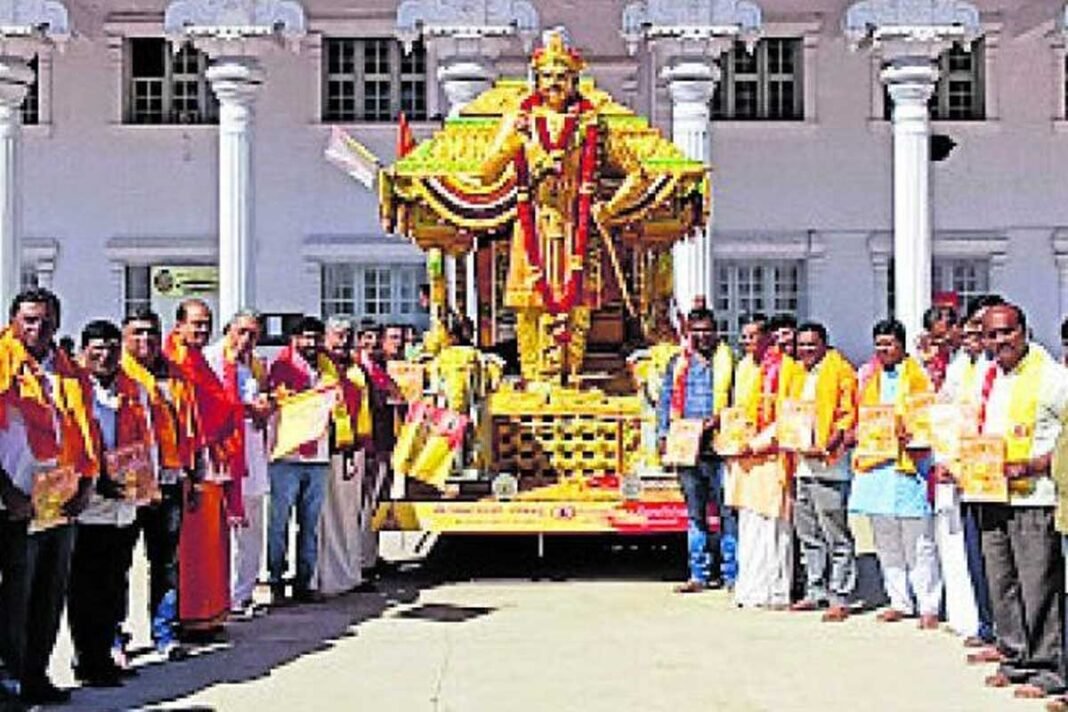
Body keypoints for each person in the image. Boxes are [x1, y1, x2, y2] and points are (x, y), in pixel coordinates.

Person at [0, 288, 97, 705]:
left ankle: (36, 674)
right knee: (12, 599)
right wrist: (6, 492)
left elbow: (87, 430)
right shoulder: (2, 365)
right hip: (13, 503)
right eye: (29, 320)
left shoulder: (69, 371)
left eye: (45, 320)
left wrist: (87, 485)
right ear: (13, 322)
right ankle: (7, 680)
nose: (38, 328)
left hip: (59, 501)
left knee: (49, 594)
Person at [975, 304, 1067, 699]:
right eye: (992, 335)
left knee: (1038, 586)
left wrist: (1034, 465)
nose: (999, 342)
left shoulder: (1052, 378)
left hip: (1035, 499)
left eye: (1006, 333)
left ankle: (1048, 669)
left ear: (1024, 331)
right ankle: (1014, 659)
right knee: (1002, 583)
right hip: (991, 494)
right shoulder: (989, 375)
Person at [68, 320, 151, 687]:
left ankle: (107, 650)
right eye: (97, 348)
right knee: (86, 587)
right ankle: (88, 659)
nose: (105, 355)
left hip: (125, 503)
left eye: (112, 348)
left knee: (115, 583)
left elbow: (148, 439)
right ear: (85, 351)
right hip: (89, 505)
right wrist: (97, 480)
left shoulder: (133, 389)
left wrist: (144, 484)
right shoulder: (73, 388)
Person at [848, 319, 941, 629]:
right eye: (878, 344)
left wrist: (912, 436)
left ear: (901, 346)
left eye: (888, 344)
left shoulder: (919, 377)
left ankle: (928, 604)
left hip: (908, 467)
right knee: (885, 540)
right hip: (877, 468)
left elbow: (929, 415)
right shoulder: (869, 378)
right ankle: (899, 600)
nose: (883, 350)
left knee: (919, 542)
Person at [164, 298, 245, 636]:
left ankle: (210, 613)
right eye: (195, 323)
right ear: (179, 325)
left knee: (213, 544)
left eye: (206, 323)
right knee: (192, 549)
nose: (201, 329)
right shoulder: (175, 362)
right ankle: (190, 617)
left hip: (212, 460)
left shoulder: (197, 359)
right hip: (191, 464)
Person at [122, 307, 198, 660]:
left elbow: (190, 428)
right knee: (117, 564)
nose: (145, 340)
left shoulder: (175, 375)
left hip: (169, 480)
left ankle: (164, 632)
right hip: (127, 484)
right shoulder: (116, 373)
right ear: (124, 336)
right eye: (137, 333)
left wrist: (192, 475)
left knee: (165, 561)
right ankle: (113, 636)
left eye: (151, 333)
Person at [725, 313, 803, 608]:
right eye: (743, 337)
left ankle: (773, 591)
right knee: (749, 524)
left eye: (753, 336)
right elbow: (737, 410)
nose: (747, 342)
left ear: (768, 338)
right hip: (745, 459)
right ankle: (750, 588)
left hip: (772, 457)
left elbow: (787, 416)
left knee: (772, 525)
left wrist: (755, 444)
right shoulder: (743, 367)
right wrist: (733, 441)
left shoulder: (788, 369)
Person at [656, 307, 734, 592]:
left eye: (707, 330)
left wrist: (720, 418)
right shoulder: (678, 363)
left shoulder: (729, 362)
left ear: (716, 331)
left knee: (727, 513)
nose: (702, 336)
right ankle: (698, 574)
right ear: (688, 332)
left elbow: (741, 404)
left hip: (720, 449)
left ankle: (731, 574)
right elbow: (665, 401)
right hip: (687, 449)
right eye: (696, 330)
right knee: (695, 515)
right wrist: (663, 436)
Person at [786, 322, 858, 622]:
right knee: (808, 533)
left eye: (811, 345)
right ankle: (815, 590)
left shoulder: (841, 371)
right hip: (801, 464)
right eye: (801, 345)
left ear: (824, 344)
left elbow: (849, 411)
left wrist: (835, 437)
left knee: (835, 533)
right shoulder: (796, 374)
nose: (805, 350)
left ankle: (840, 594)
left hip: (830, 466)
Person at [204, 309, 273, 620]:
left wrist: (265, 407)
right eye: (241, 331)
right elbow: (209, 404)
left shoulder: (256, 364)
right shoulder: (211, 360)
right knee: (220, 528)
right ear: (228, 330)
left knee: (252, 525)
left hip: (253, 452)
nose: (246, 339)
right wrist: (247, 407)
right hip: (222, 455)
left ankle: (242, 594)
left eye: (253, 334)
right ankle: (218, 596)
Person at [268, 316, 331, 604]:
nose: (311, 343)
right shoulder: (281, 367)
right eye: (305, 338)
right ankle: (276, 581)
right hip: (287, 455)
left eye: (316, 338)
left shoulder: (328, 369)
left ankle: (304, 582)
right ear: (294, 340)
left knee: (310, 524)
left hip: (319, 456)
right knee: (279, 523)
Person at [314, 315, 373, 595]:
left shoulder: (354, 368)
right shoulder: (319, 367)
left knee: (349, 516)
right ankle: (326, 578)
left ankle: (349, 573)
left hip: (353, 449)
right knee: (327, 518)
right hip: (327, 449)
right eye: (337, 335)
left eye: (347, 334)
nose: (343, 340)